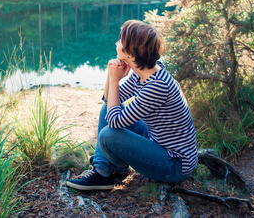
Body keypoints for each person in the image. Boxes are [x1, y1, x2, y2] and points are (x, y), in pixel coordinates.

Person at [66, 20, 198, 191]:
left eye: (120, 41)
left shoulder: (157, 86)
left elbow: (114, 123)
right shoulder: (145, 72)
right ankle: (106, 169)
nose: (116, 43)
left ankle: (107, 171)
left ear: (131, 53)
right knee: (108, 109)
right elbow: (110, 99)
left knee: (108, 135)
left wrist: (114, 79)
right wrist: (111, 73)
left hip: (175, 164)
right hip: (157, 141)